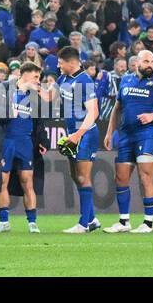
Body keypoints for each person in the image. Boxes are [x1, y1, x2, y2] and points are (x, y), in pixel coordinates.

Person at [102, 48, 153, 233]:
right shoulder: (125, 80)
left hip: (147, 135)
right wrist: (109, 133)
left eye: (152, 62)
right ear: (137, 63)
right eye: (146, 61)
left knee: (146, 177)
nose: (150, 65)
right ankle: (124, 222)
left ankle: (148, 223)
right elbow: (116, 108)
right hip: (126, 136)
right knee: (120, 178)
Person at [0, 62, 45, 234]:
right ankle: (4, 222)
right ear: (25, 75)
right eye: (36, 77)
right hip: (6, 141)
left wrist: (42, 140)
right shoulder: (6, 91)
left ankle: (32, 222)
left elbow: (40, 121)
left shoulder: (35, 96)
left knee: (27, 182)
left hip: (24, 142)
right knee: (2, 182)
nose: (38, 80)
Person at [55, 45, 102, 234]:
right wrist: (28, 84)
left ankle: (84, 224)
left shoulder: (85, 81)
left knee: (83, 177)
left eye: (60, 63)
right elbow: (49, 96)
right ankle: (92, 219)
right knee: (75, 176)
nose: (58, 66)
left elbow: (94, 112)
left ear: (71, 62)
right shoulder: (63, 78)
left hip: (86, 133)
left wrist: (78, 134)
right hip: (72, 133)